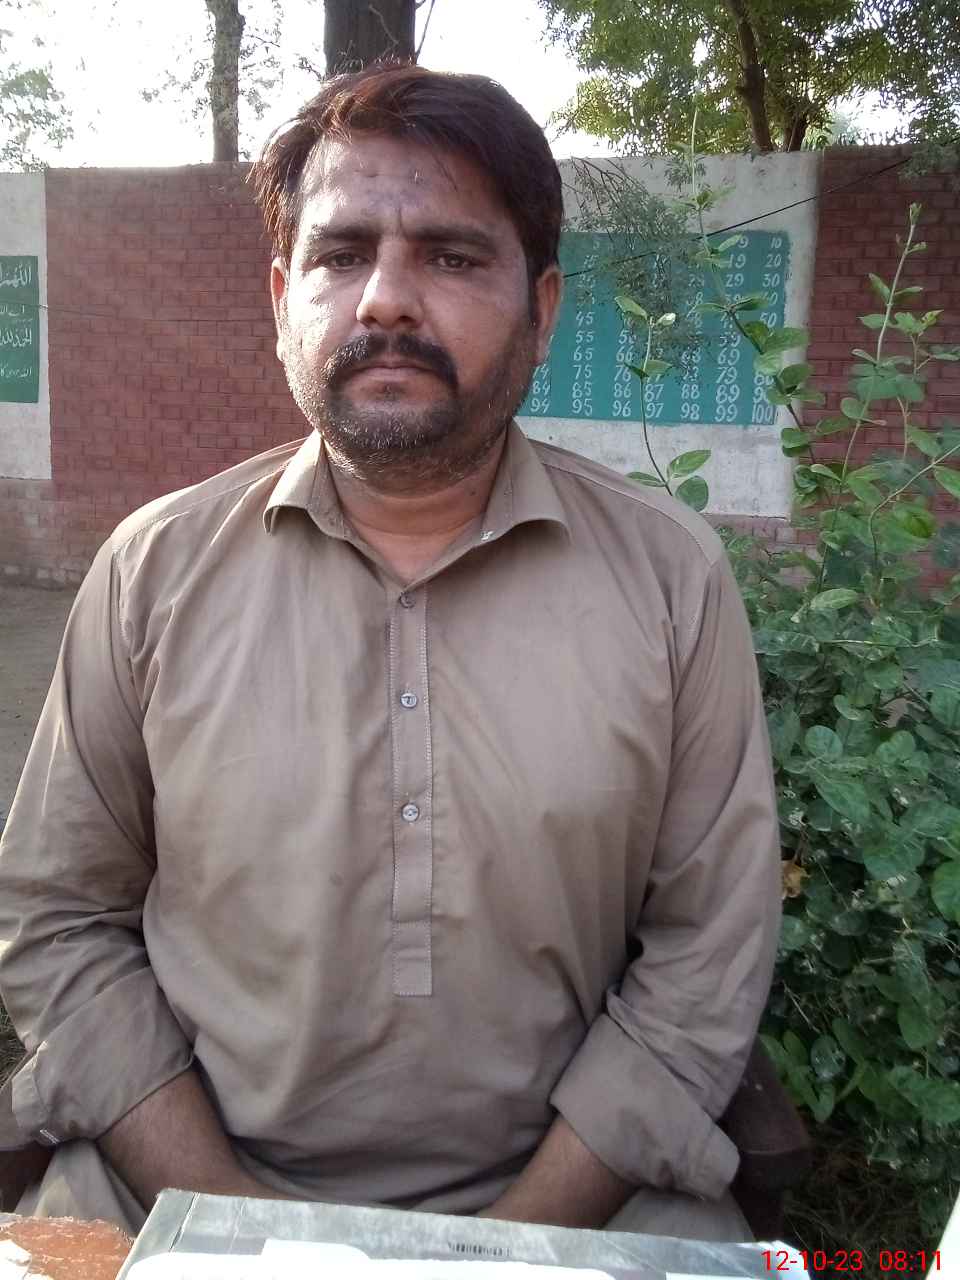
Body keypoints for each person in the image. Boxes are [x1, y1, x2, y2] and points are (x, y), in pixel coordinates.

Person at [0, 64, 781, 1242]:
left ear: (544, 309)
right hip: (170, 1194)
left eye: (453, 257)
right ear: (283, 298)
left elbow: (707, 952)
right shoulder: (151, 571)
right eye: (341, 253)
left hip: (592, 1209)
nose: (387, 301)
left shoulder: (671, 580)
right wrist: (245, 1232)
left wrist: (498, 1247)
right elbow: (59, 919)